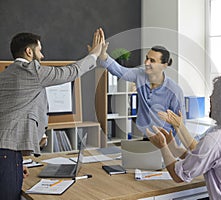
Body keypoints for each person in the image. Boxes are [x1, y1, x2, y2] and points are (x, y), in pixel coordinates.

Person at [0, 29, 104, 200]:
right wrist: (93, 55)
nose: (42, 56)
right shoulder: (31, 70)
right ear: (29, 51)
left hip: (9, 154)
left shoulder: (6, 74)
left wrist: (17, 163)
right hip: (7, 154)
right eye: (39, 50)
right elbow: (70, 72)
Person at [146, 74, 221, 200]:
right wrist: (172, 146)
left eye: (214, 94)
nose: (210, 97)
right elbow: (200, 156)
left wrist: (163, 146)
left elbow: (178, 176)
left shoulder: (216, 140)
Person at [94, 28, 186, 139]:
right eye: (147, 58)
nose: (146, 63)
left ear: (164, 65)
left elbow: (180, 124)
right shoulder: (139, 75)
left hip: (167, 139)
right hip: (147, 136)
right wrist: (103, 55)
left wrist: (178, 152)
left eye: (152, 61)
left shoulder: (174, 90)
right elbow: (120, 71)